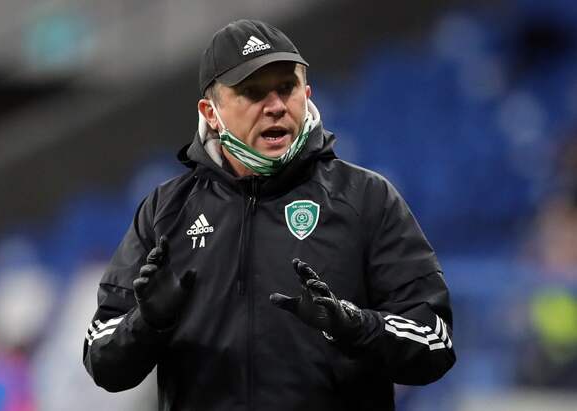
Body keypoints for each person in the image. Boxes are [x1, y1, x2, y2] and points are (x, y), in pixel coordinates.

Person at [83, 19, 456, 411]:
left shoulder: (365, 198)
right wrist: (148, 323)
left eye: (287, 88)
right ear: (211, 112)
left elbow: (435, 342)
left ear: (306, 94)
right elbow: (102, 360)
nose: (276, 106)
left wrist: (353, 325)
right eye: (252, 92)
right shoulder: (165, 211)